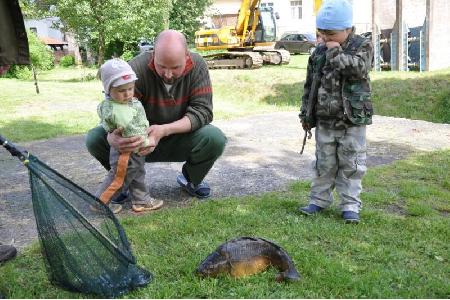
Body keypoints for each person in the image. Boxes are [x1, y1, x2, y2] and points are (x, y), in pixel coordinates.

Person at [86, 30, 227, 203]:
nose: (168, 74)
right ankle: (124, 182)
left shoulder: (198, 66)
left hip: (180, 138)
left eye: (175, 67)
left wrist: (164, 130)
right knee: (95, 138)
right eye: (162, 66)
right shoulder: (135, 68)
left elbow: (203, 111)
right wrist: (112, 137)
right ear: (153, 55)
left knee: (215, 138)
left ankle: (191, 179)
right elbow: (114, 109)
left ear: (187, 56)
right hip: (139, 142)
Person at [298, 0, 374, 224]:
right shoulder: (319, 52)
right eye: (323, 33)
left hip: (352, 120)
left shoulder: (363, 45)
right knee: (324, 163)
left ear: (348, 28)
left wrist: (335, 53)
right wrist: (306, 113)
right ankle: (318, 200)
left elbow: (359, 69)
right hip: (325, 120)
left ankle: (350, 205)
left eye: (332, 34)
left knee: (352, 163)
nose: (326, 38)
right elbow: (310, 84)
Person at [95, 58, 164, 213]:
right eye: (121, 90)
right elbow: (119, 126)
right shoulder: (112, 108)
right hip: (125, 150)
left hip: (137, 148)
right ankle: (101, 202)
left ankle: (142, 200)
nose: (127, 94)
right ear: (108, 90)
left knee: (138, 173)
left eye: (130, 88)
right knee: (120, 176)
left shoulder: (128, 102)